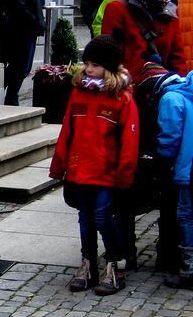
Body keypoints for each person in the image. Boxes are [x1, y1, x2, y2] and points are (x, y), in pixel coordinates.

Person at [48, 35, 139, 296]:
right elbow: (67, 131)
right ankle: (87, 265)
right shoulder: (78, 93)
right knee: (85, 219)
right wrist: (59, 166)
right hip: (79, 169)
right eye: (87, 63)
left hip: (105, 171)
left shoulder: (122, 99)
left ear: (108, 67)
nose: (88, 69)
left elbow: (129, 140)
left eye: (95, 65)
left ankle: (116, 265)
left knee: (103, 218)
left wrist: (124, 175)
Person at [156, 67, 193, 288]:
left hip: (189, 171)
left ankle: (189, 270)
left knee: (187, 215)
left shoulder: (173, 98)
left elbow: (170, 139)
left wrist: (164, 162)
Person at [0, 0, 43, 106]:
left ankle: (11, 96)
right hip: (21, 32)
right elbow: (19, 6)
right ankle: (10, 97)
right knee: (19, 68)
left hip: (30, 31)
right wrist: (35, 20)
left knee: (22, 68)